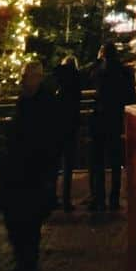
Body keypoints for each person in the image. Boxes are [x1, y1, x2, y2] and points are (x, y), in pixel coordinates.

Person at [0, 62, 60, 271]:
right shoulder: (25, 101)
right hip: (18, 171)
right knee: (17, 221)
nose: (24, 80)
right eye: (24, 76)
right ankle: (23, 263)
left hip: (33, 173)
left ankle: (26, 266)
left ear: (38, 78)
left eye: (28, 77)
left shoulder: (45, 104)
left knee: (28, 223)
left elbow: (50, 141)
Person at [89, 43, 136, 211]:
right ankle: (114, 197)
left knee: (99, 160)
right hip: (116, 119)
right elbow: (132, 96)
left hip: (100, 117)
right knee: (116, 160)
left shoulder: (98, 72)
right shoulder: (124, 72)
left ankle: (99, 197)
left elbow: (90, 80)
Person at [51, 56, 82, 210]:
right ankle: (66, 199)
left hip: (57, 128)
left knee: (55, 165)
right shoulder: (76, 85)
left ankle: (52, 197)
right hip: (71, 128)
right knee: (68, 166)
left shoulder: (59, 85)